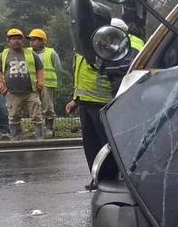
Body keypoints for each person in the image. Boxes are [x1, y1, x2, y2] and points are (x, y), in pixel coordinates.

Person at [65, 17, 144, 182]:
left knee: (109, 145)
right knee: (92, 145)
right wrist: (76, 100)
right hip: (86, 101)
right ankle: (100, 178)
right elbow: (82, 74)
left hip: (104, 102)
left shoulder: (123, 44)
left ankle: (115, 179)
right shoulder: (90, 43)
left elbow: (123, 74)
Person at [0, 28, 45, 140]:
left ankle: (40, 139)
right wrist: (0, 85)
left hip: (31, 92)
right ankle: (16, 139)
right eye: (13, 39)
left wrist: (40, 83)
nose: (16, 41)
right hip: (12, 93)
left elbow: (40, 68)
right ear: (8, 41)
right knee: (13, 116)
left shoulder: (31, 54)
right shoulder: (3, 55)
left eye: (19, 39)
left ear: (23, 40)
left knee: (37, 115)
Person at [27, 28, 61, 138]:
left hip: (47, 84)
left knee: (48, 107)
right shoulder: (27, 52)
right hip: (32, 85)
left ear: (42, 41)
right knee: (35, 107)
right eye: (31, 40)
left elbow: (58, 68)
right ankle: (38, 130)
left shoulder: (51, 52)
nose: (31, 42)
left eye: (34, 40)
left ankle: (49, 128)